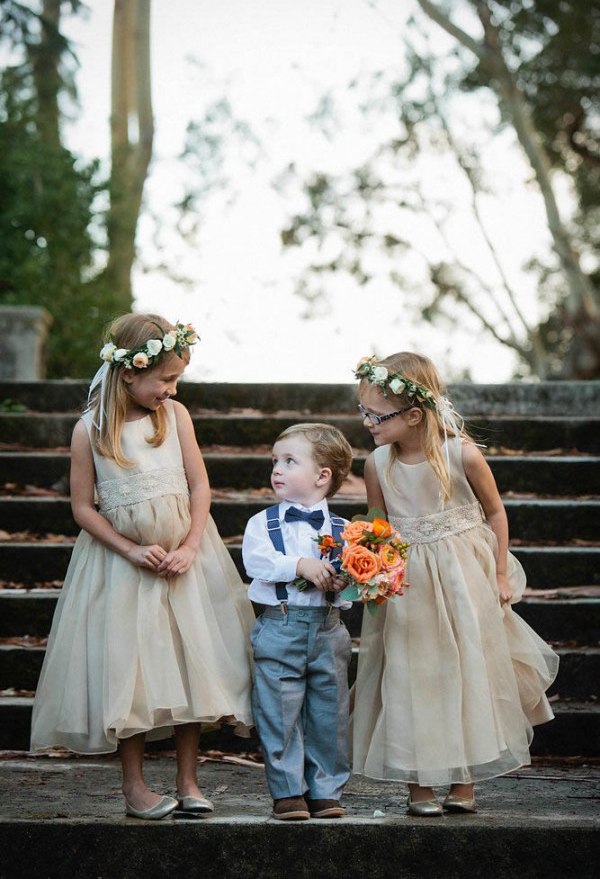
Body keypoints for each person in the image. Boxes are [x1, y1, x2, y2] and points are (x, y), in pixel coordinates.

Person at [30, 313, 255, 820]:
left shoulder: (174, 418)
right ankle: (134, 786)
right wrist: (130, 549)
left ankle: (188, 778)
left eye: (177, 380)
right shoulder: (89, 431)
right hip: (122, 566)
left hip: (183, 561)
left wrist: (193, 544)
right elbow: (83, 508)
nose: (172, 390)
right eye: (166, 379)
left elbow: (200, 486)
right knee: (128, 671)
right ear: (129, 373)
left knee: (189, 662)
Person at [350, 352, 559, 816]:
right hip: (407, 587)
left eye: (374, 414)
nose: (366, 422)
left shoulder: (460, 453)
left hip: (464, 579)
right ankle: (419, 782)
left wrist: (501, 572)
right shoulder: (377, 463)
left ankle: (463, 779)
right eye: (363, 412)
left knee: (464, 670)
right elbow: (377, 524)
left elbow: (496, 512)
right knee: (411, 674)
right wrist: (368, 563)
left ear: (413, 415)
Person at [242, 423, 354, 821]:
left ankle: (325, 790)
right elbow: (256, 562)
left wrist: (343, 583)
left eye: (290, 461)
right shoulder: (263, 523)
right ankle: (288, 791)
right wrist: (299, 564)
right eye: (275, 461)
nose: (277, 469)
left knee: (330, 713)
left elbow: (351, 586)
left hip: (328, 628)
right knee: (280, 710)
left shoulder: (344, 530)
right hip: (280, 626)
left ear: (322, 476)